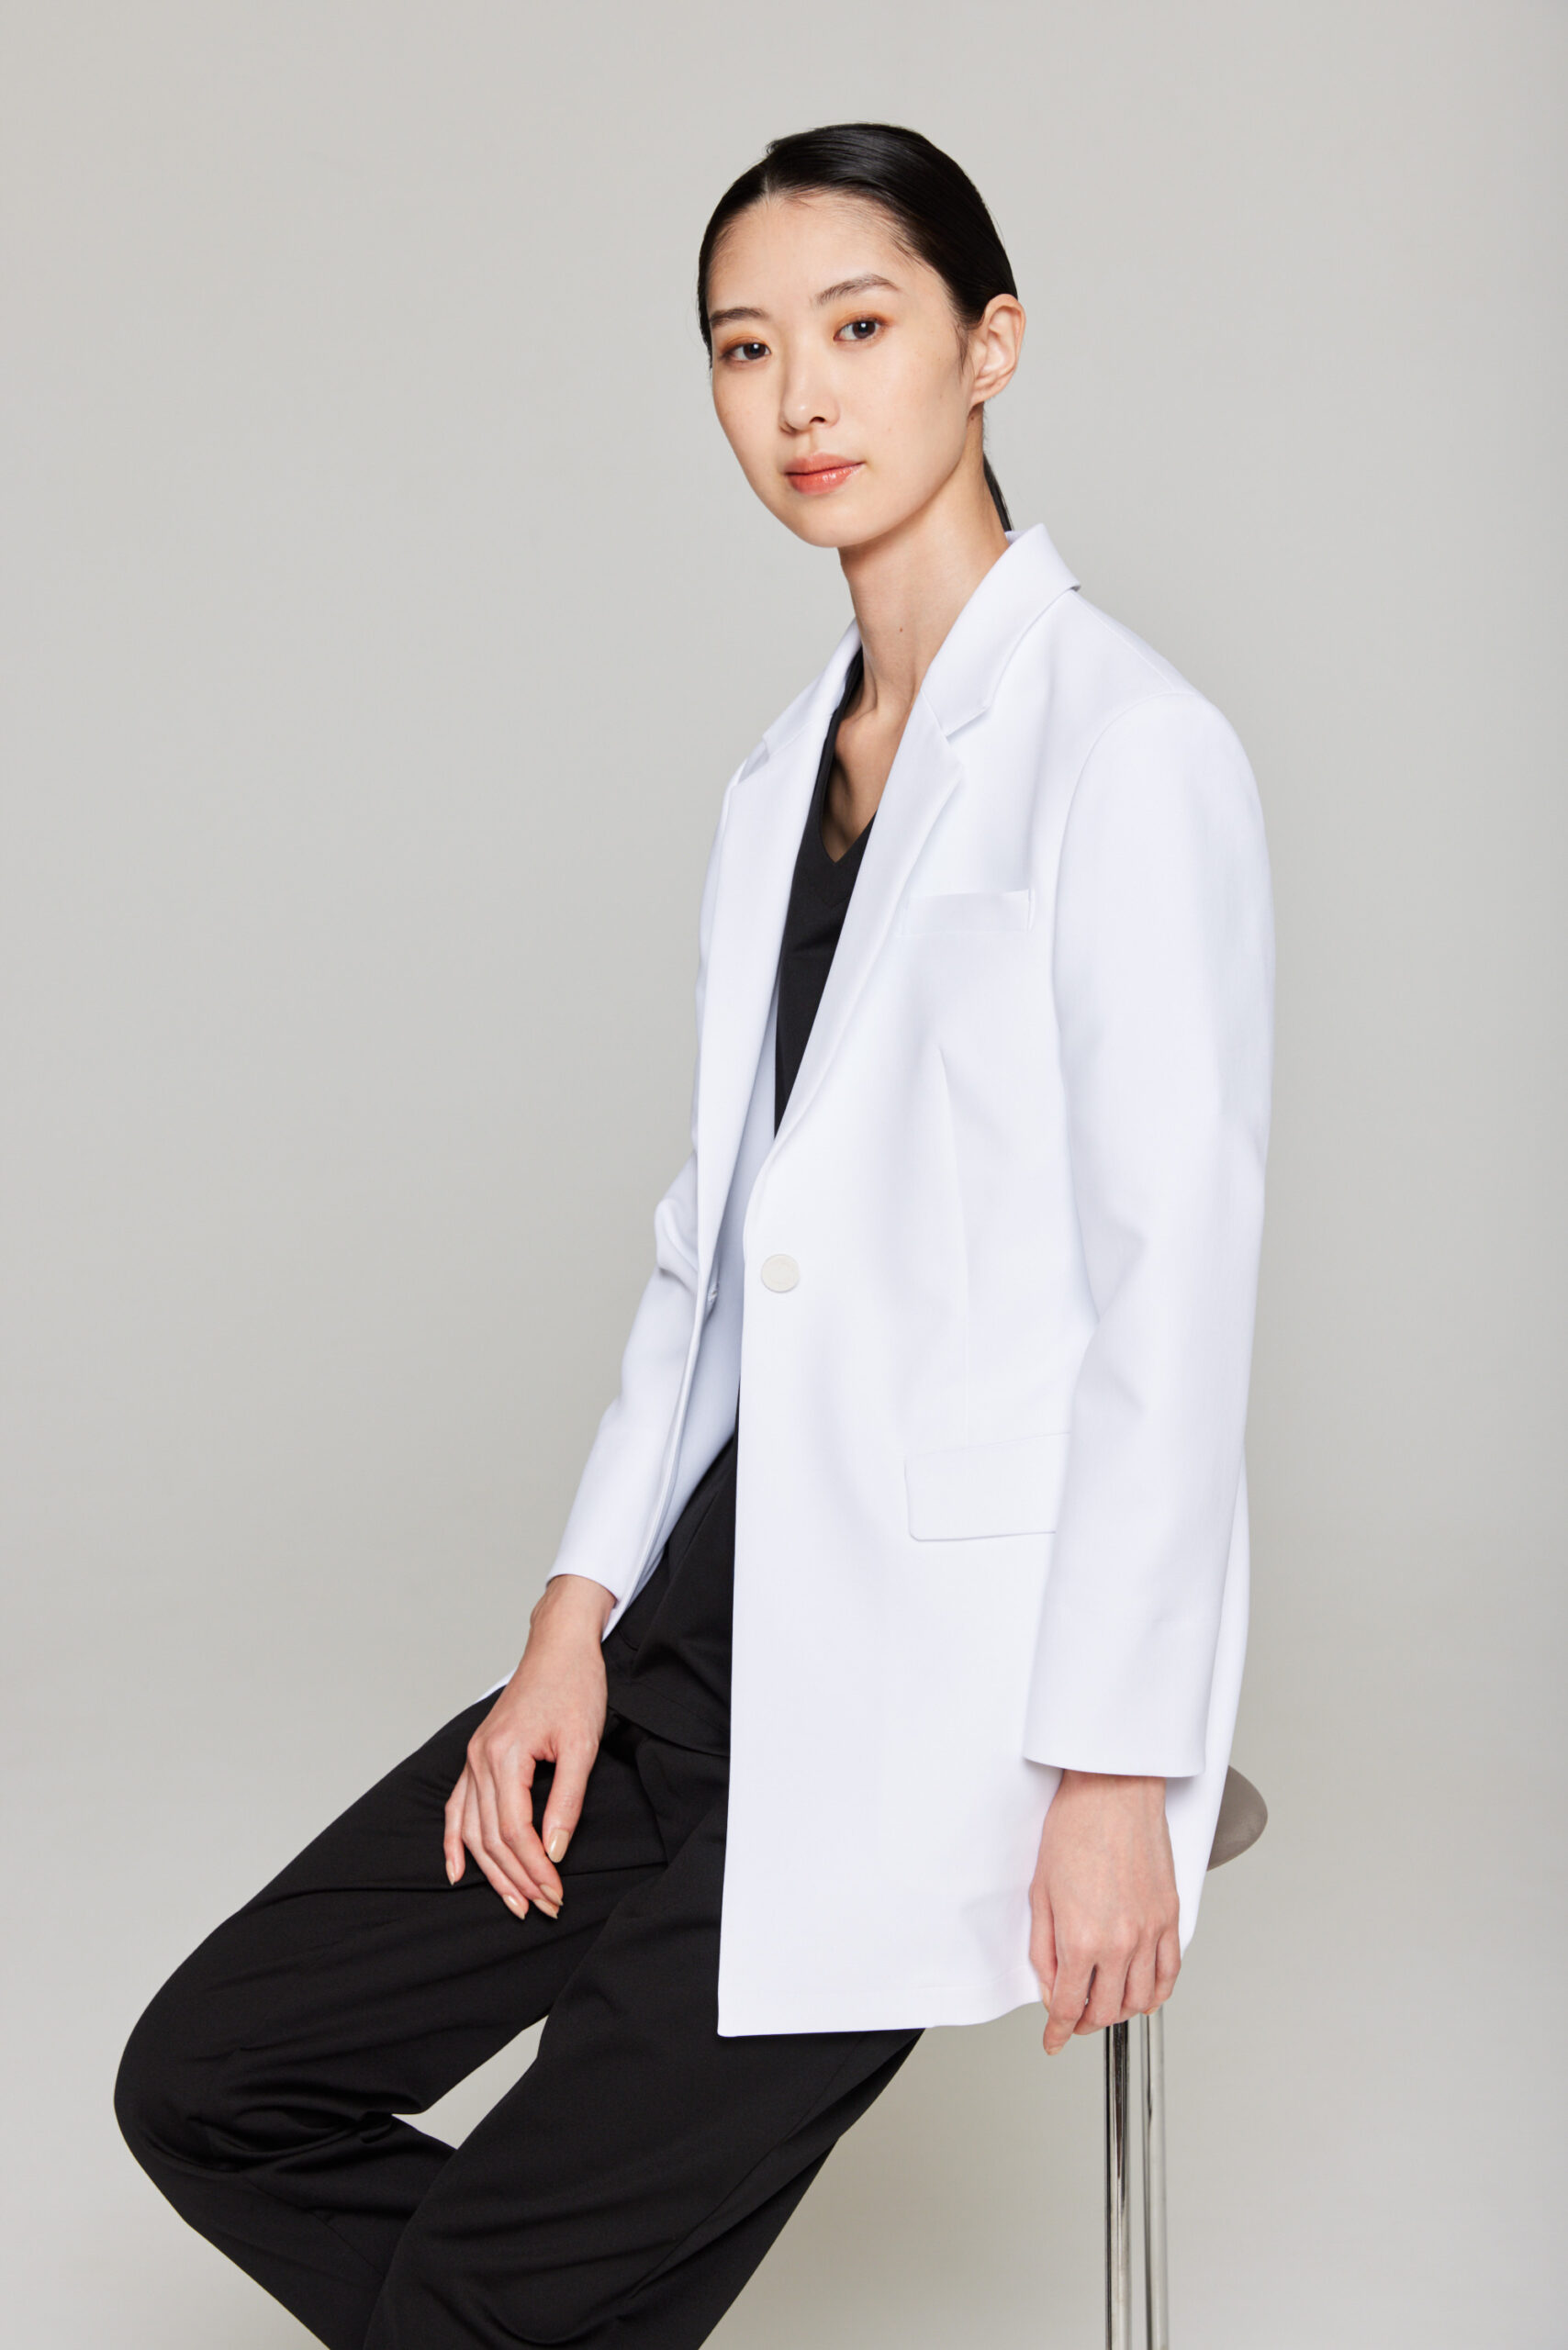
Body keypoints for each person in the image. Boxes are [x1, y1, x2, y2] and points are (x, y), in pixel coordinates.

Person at [115, 120, 1273, 2349]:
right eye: (744, 349)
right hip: (695, 1648)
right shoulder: (777, 781)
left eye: (858, 326)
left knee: (481, 2305)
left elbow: (1174, 1298)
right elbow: (714, 1254)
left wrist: (1111, 1771)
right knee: (209, 2080)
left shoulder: (1126, 749)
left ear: (987, 347)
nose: (799, 396)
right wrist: (569, 1623)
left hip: (940, 1695)